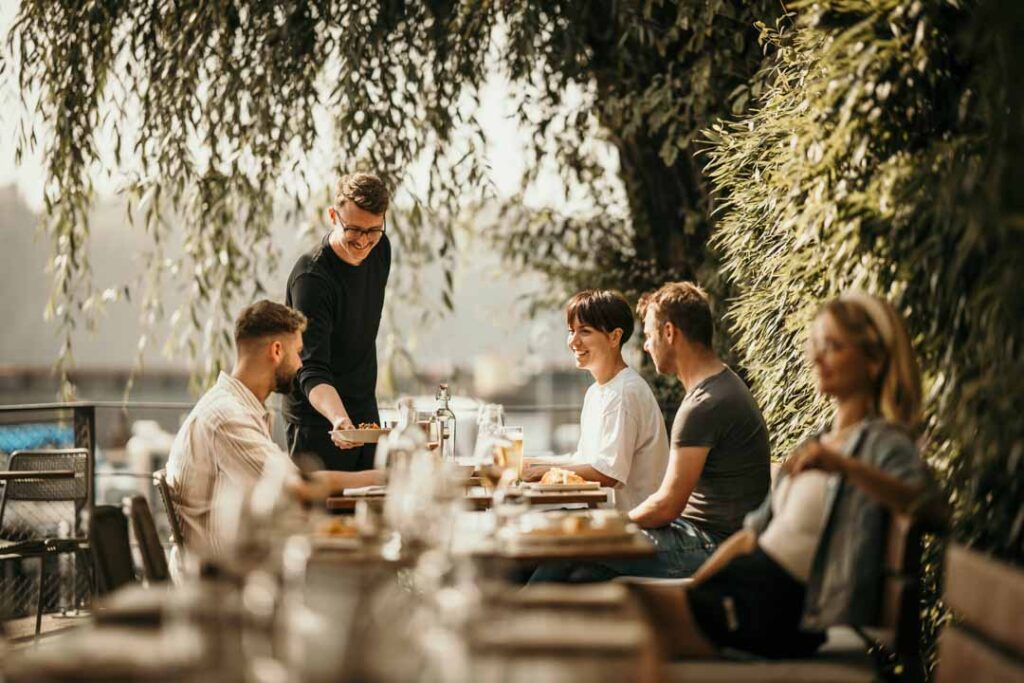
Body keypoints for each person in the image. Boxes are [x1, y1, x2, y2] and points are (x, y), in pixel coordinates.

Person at [628, 293, 942, 660]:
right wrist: (697, 588)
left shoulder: (883, 442)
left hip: (786, 608)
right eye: (817, 345)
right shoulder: (818, 441)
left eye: (834, 346)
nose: (816, 357)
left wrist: (846, 468)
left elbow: (934, 511)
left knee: (627, 623)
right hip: (751, 584)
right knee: (626, 609)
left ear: (874, 361)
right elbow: (750, 537)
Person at [531, 282, 770, 581]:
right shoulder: (719, 388)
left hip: (712, 545)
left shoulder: (705, 404)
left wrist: (609, 527)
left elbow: (667, 505)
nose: (645, 346)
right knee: (574, 564)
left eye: (648, 336)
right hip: (703, 535)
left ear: (669, 333)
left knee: (571, 553)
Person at [166, 300, 382, 557]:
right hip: (223, 581)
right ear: (277, 350)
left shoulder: (231, 407)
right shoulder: (226, 418)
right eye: (298, 352)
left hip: (235, 564)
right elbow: (298, 486)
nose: (301, 365)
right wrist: (385, 477)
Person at [522, 290, 669, 512]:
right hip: (602, 516)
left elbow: (607, 474)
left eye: (585, 331)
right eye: (571, 331)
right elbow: (586, 461)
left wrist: (542, 470)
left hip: (632, 528)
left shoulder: (624, 392)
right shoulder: (597, 392)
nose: (573, 341)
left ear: (614, 337)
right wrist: (531, 464)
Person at [283, 173, 392, 471]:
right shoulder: (312, 278)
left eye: (374, 230)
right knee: (321, 515)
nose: (364, 241)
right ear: (333, 215)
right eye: (354, 229)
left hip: (364, 407)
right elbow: (312, 368)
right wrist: (339, 419)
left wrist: (356, 419)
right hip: (317, 418)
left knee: (371, 508)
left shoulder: (381, 249)